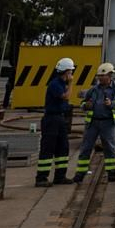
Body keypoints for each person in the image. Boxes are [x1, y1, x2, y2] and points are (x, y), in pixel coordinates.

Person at [77, 62, 115, 182]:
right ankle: (80, 173)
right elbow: (82, 103)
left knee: (109, 147)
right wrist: (86, 105)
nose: (100, 78)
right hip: (92, 123)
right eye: (99, 76)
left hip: (107, 123)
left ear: (109, 75)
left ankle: (111, 173)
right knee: (86, 147)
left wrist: (112, 104)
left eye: (102, 76)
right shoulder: (93, 90)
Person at [36, 57, 75, 186]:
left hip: (60, 118)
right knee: (48, 148)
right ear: (66, 72)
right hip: (51, 119)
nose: (71, 75)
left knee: (63, 148)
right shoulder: (55, 84)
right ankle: (41, 178)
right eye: (70, 72)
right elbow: (66, 96)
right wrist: (71, 84)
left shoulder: (61, 84)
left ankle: (60, 176)